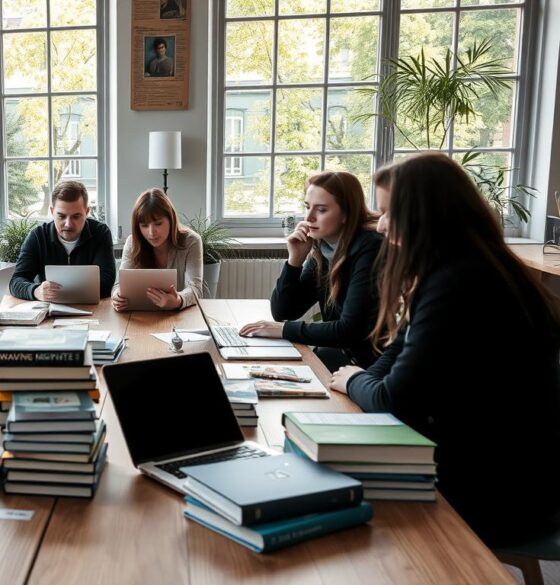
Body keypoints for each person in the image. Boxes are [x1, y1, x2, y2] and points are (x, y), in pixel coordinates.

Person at [328, 152, 560, 547]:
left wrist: (352, 380)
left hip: (502, 494)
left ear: (424, 215)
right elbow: (399, 351)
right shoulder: (471, 265)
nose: (380, 225)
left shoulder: (457, 282)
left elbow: (393, 400)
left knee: (330, 490)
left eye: (388, 212)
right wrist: (366, 376)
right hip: (508, 470)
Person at [239, 171, 383, 370]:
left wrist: (283, 330)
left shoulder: (370, 247)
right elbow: (284, 311)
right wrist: (295, 260)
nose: (308, 217)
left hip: (374, 368)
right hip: (347, 359)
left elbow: (350, 330)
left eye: (321, 210)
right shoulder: (324, 248)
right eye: (307, 207)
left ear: (347, 213)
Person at [10, 181, 116, 301]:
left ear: (86, 212)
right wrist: (36, 291)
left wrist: (65, 292)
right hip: (50, 309)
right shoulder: (38, 236)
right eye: (61, 216)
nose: (68, 224)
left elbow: (107, 284)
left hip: (92, 309)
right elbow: (16, 281)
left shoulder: (100, 233)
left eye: (76, 216)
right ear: (52, 211)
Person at [111, 188, 202, 311]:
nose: (151, 232)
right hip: (140, 316)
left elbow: (195, 289)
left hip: (179, 316)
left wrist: (178, 300)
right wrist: (117, 296)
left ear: (171, 220)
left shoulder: (192, 241)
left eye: (158, 224)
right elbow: (119, 285)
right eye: (144, 225)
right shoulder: (132, 243)